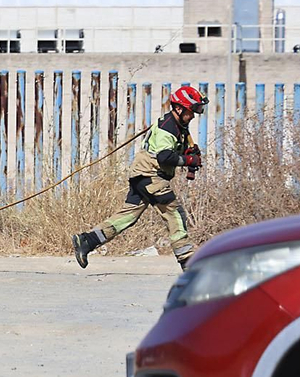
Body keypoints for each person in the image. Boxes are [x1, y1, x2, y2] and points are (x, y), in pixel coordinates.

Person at [73, 85, 206, 271]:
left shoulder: (178, 126)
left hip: (141, 175)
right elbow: (164, 157)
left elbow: (170, 151)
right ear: (178, 108)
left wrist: (187, 152)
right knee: (174, 214)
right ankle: (188, 262)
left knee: (127, 217)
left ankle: (87, 241)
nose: (193, 116)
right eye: (191, 111)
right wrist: (188, 160)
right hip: (151, 176)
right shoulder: (168, 128)